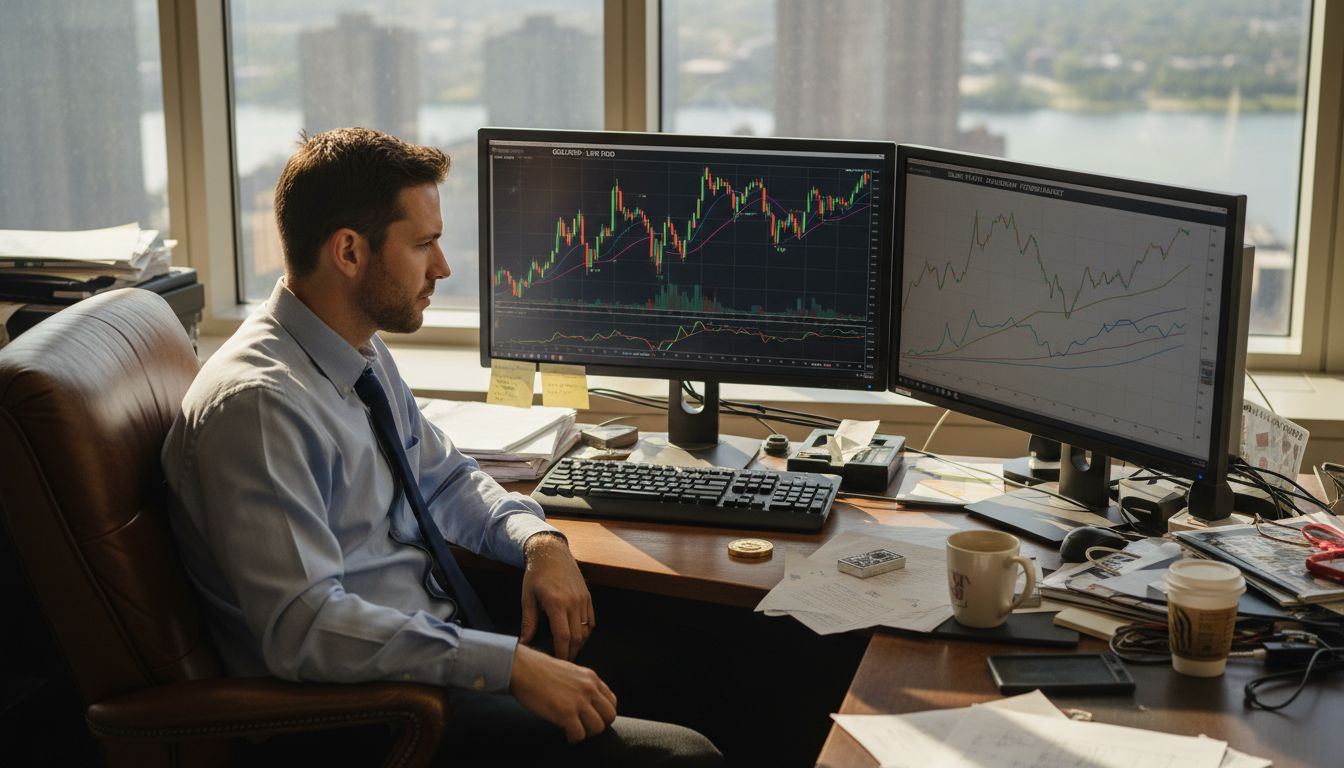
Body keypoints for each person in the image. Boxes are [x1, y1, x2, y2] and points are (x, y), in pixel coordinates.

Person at [162, 127, 721, 766]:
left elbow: (447, 478)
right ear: (349, 251)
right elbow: (307, 627)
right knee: (686, 755)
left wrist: (538, 541)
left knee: (705, 662)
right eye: (424, 244)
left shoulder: (355, 351)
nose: (443, 267)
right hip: (380, 713)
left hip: (444, 646)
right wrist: (507, 665)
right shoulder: (260, 407)